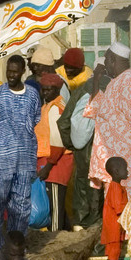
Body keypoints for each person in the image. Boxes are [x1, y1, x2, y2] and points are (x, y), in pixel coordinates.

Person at [0, 54, 42, 251]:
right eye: (9, 71)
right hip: (1, 162)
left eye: (16, 72)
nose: (11, 75)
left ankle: (17, 246)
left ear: (23, 72)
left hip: (25, 160)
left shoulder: (33, 95)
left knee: (21, 205)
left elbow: (35, 119)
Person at [87, 43, 131, 196]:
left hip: (129, 158)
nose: (104, 65)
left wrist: (124, 134)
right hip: (115, 156)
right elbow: (97, 109)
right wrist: (96, 80)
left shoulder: (130, 81)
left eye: (105, 61)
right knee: (116, 201)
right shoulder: (115, 82)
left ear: (112, 60)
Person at [55, 48, 97, 229]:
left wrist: (72, 143)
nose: (69, 71)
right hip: (102, 152)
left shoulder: (84, 87)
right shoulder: (115, 89)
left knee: (82, 190)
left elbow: (64, 122)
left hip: (82, 149)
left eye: (73, 68)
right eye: (67, 67)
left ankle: (81, 229)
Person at [34, 72, 70, 231]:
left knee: (55, 207)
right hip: (49, 162)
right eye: (44, 89)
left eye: (49, 90)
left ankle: (55, 240)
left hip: (55, 164)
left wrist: (48, 167)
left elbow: (58, 141)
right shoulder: (48, 106)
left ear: (57, 90)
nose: (45, 93)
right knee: (56, 204)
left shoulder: (56, 108)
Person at [101, 155, 129, 260]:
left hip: (117, 226)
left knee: (116, 250)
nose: (127, 171)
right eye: (125, 168)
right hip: (113, 226)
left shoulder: (117, 187)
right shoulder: (115, 188)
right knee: (113, 250)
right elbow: (119, 207)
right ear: (117, 172)